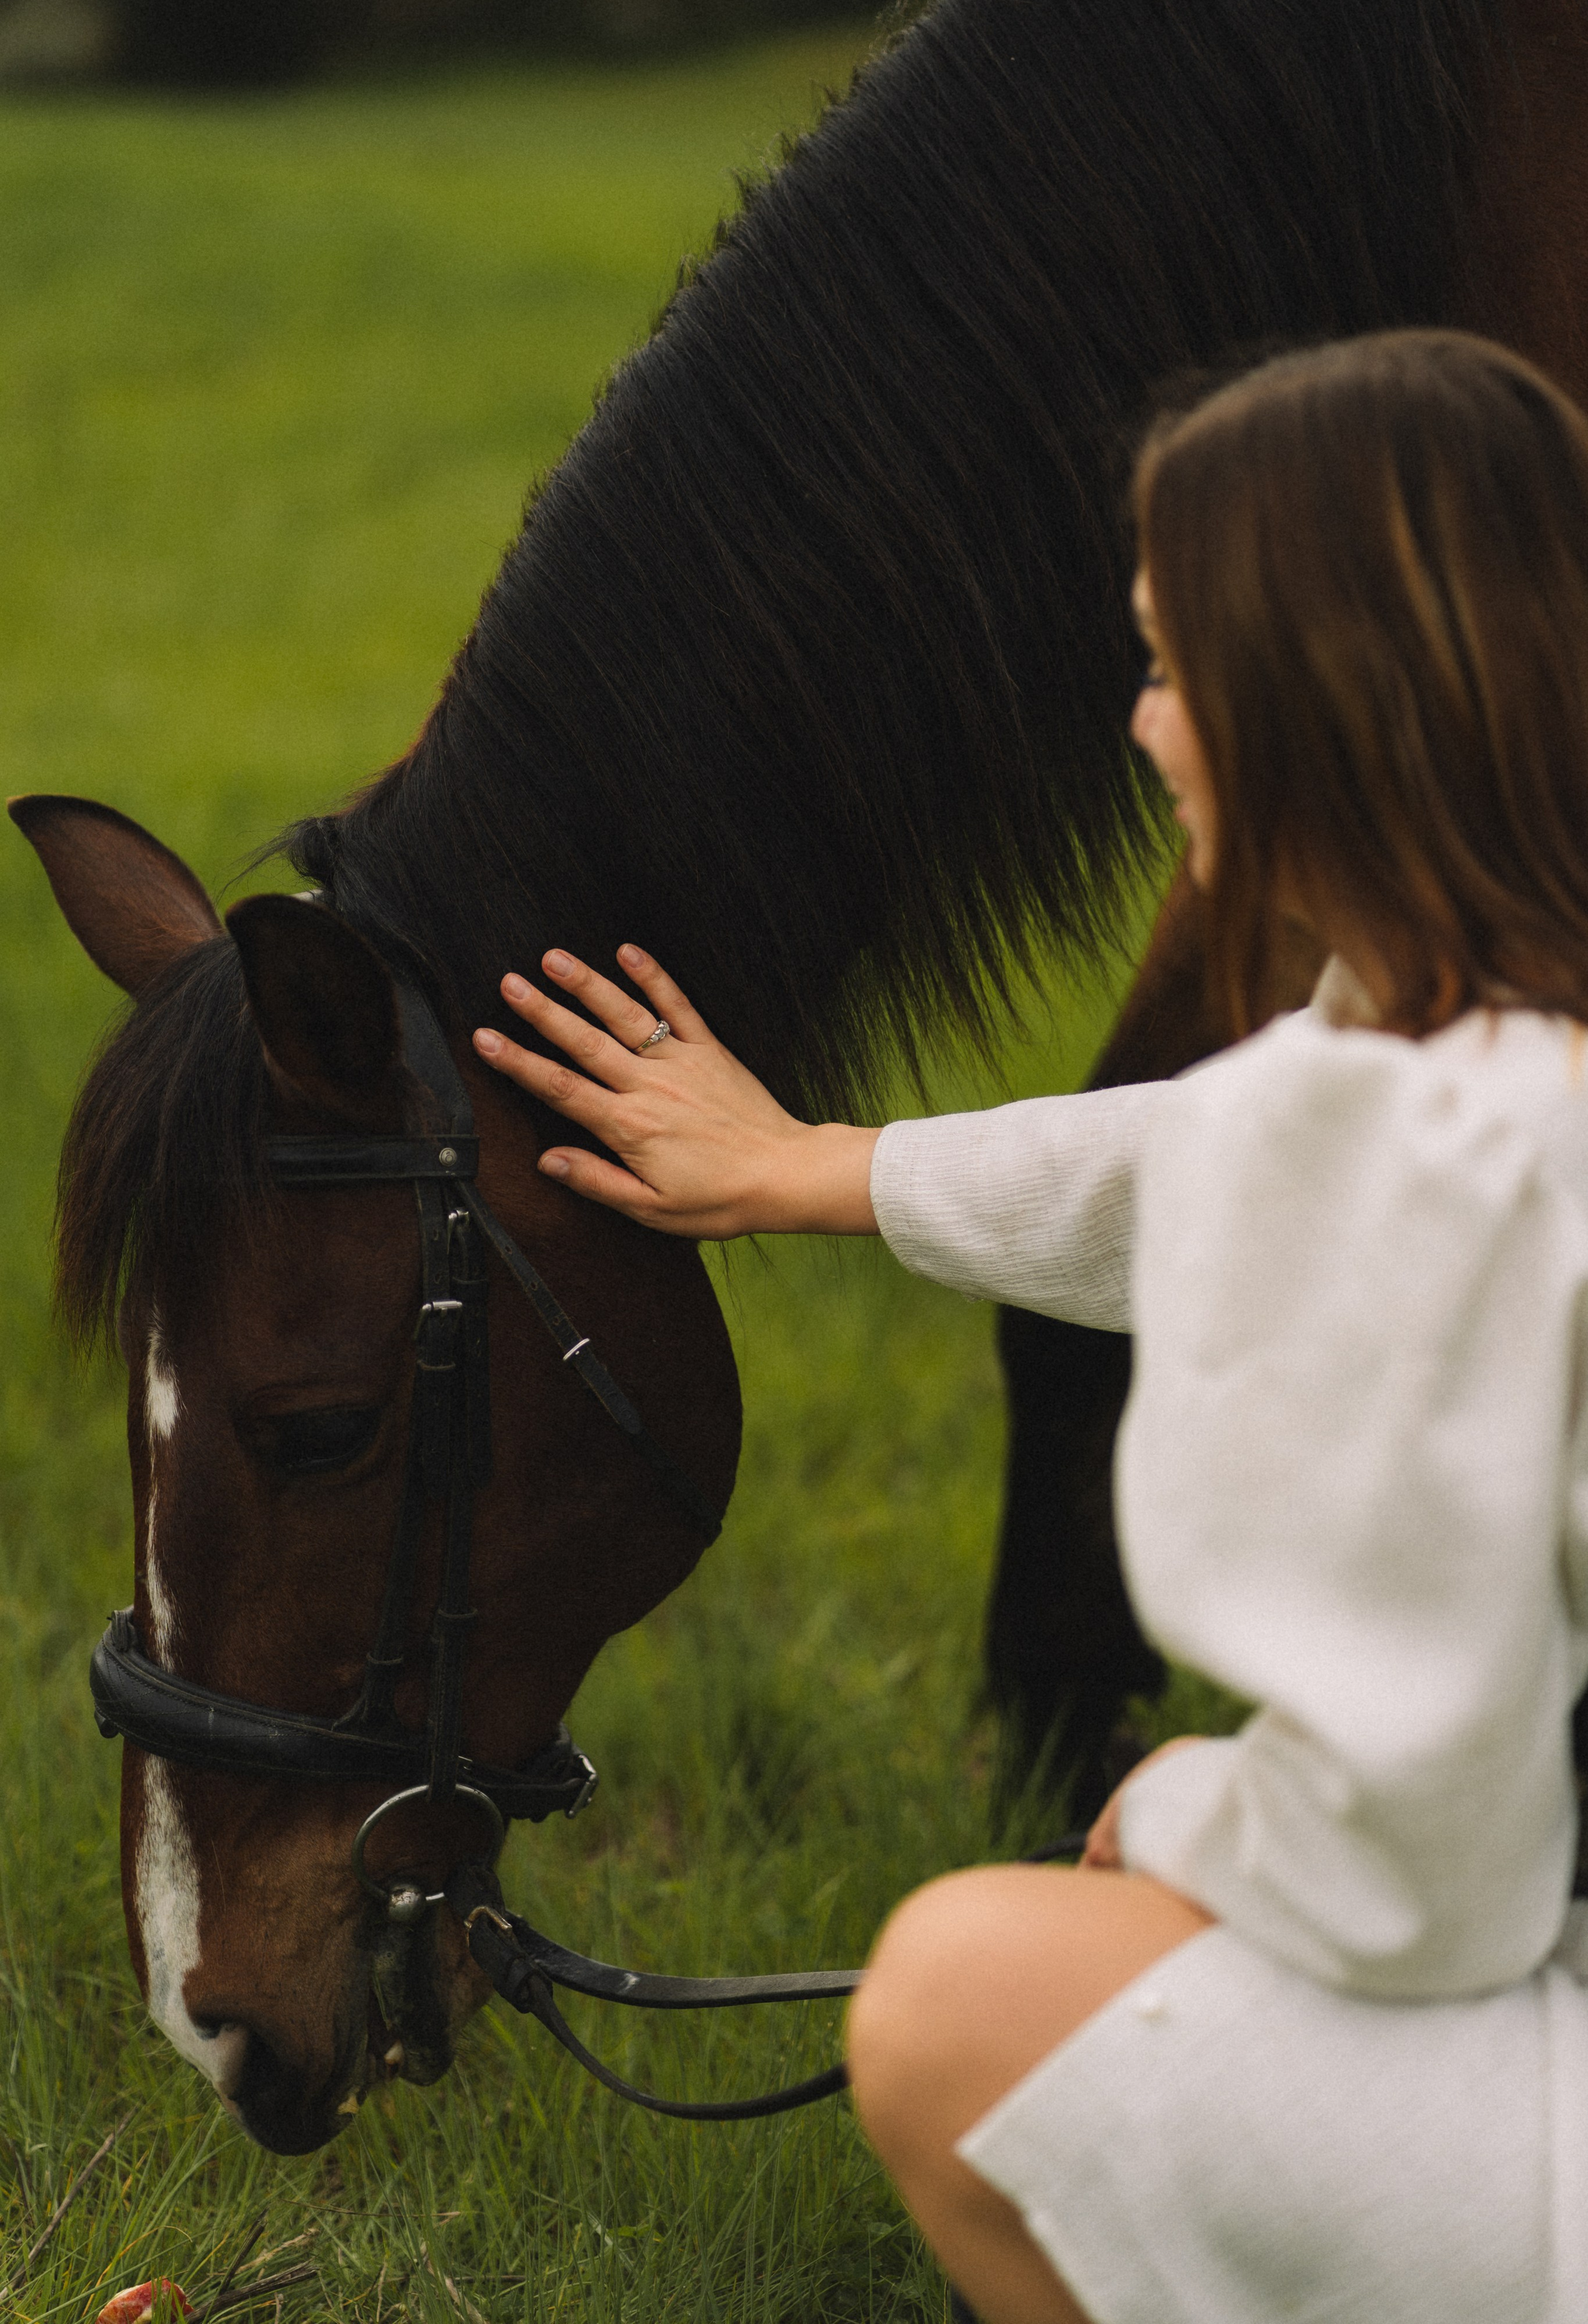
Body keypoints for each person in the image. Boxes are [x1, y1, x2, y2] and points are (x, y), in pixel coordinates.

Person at [470, 329, 1588, 2324]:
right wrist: (819, 1165)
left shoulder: (1420, 1155)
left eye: (1167, 663)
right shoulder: (1494, 1054)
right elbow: (1194, 1164)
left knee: (955, 1999)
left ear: (1315, 697)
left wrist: (1190, 1815)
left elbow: (1420, 1875)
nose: (1143, 727)